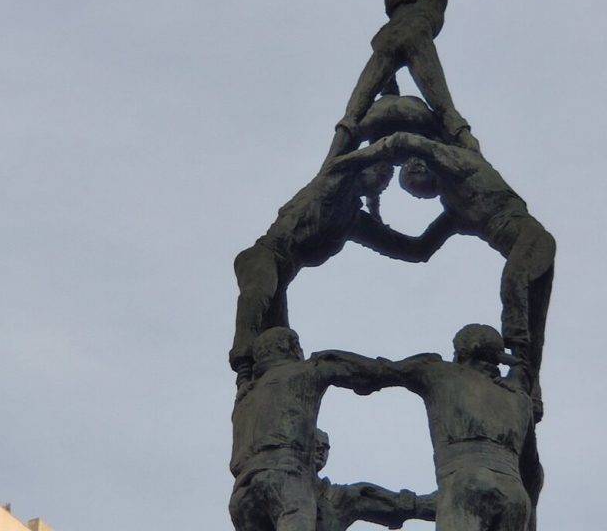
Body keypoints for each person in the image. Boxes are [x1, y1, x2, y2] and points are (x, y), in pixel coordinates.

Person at [331, 131, 555, 420]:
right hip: (527, 251)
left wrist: (384, 146)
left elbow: (414, 142)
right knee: (533, 327)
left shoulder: (460, 165)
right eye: (412, 190)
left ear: (422, 166)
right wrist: (367, 228)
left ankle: (521, 371)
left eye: (413, 177)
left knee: (513, 283)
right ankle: (529, 391)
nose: (416, 188)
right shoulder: (455, 212)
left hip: (533, 240)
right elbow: (419, 249)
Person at [230, 149, 455, 389]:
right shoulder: (332, 178)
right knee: (257, 295)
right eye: (380, 171)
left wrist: (453, 217)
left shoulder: (354, 222)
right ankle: (243, 367)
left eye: (387, 178)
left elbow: (415, 250)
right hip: (263, 256)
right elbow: (347, 139)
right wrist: (398, 143)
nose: (383, 181)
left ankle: (266, 391)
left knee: (281, 347)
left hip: (282, 275)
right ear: (362, 167)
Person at [229, 327, 402, 531]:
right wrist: (399, 372)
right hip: (285, 479)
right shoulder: (304, 371)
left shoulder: (245, 396)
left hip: (242, 495)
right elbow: (356, 370)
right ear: (291, 348)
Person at [325, 0, 478, 167]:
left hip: (397, 50)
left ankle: (332, 157)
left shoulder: (381, 35)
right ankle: (465, 141)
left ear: (389, 6)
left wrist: (390, 92)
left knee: (352, 113)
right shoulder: (425, 7)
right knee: (444, 106)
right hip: (419, 48)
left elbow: (381, 79)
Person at [395, 324, 539, 531]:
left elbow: (377, 371)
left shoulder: (440, 373)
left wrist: (330, 364)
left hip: (466, 483)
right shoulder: (519, 399)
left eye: (456, 351)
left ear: (464, 350)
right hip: (516, 497)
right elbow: (533, 473)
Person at [313, 429, 438, 531]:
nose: (321, 450)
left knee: (361, 491)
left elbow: (394, 503)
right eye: (315, 443)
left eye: (325, 446)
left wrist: (428, 504)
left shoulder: (342, 496)